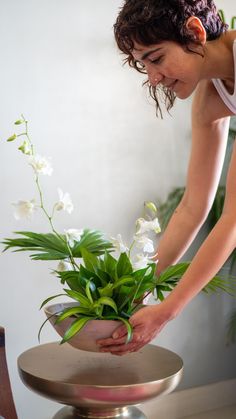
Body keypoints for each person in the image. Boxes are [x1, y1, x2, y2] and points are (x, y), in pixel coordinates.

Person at [97, 0, 236, 355]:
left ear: (194, 32)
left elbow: (233, 219)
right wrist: (141, 286)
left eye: (156, 58)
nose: (154, 77)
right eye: (144, 65)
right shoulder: (211, 96)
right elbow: (192, 206)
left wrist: (167, 311)